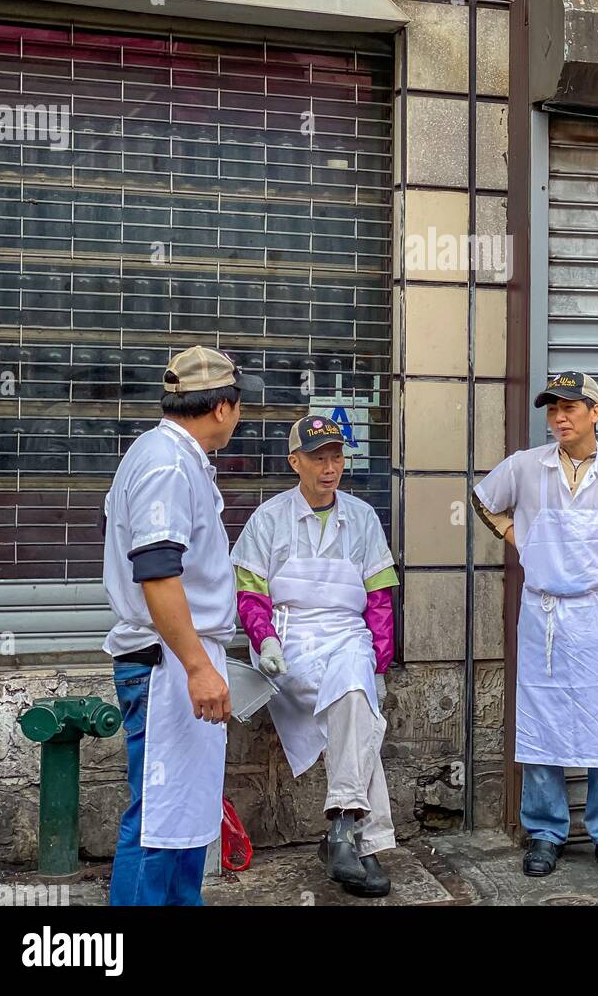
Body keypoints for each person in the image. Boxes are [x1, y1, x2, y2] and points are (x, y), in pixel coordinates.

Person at [472, 371, 598, 879]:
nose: (559, 417)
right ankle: (544, 831)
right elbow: (482, 500)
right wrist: (520, 536)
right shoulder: (525, 468)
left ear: (594, 412)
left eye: (570, 407)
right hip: (543, 615)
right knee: (543, 725)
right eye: (552, 409)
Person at [103, 346, 253, 906]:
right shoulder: (166, 463)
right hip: (167, 665)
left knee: (186, 813)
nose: (240, 416)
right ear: (221, 407)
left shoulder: (174, 455)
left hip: (183, 658)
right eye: (239, 404)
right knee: (158, 822)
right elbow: (157, 573)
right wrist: (197, 666)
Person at [232, 415, 398, 898]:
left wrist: (380, 663)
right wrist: (264, 640)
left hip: (348, 636)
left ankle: (343, 831)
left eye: (337, 457)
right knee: (356, 708)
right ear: (295, 462)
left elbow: (380, 596)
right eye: (318, 458)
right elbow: (251, 593)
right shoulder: (269, 519)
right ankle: (356, 841)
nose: (330, 468)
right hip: (294, 643)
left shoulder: (363, 517)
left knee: (354, 687)